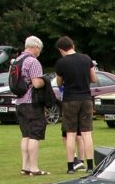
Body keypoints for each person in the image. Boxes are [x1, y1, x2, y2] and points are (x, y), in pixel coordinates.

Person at [55, 35, 97, 174]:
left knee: (70, 134)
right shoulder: (86, 59)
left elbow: (59, 82)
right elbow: (94, 78)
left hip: (70, 99)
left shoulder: (61, 63)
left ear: (61, 50)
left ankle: (70, 167)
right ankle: (90, 165)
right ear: (73, 45)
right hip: (86, 98)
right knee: (86, 133)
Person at [15, 36, 49, 176]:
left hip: (19, 102)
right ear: (35, 47)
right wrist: (44, 81)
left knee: (25, 135)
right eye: (39, 49)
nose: (39, 52)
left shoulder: (16, 61)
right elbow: (36, 84)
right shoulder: (33, 62)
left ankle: (25, 166)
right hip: (32, 102)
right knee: (35, 135)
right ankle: (34, 168)